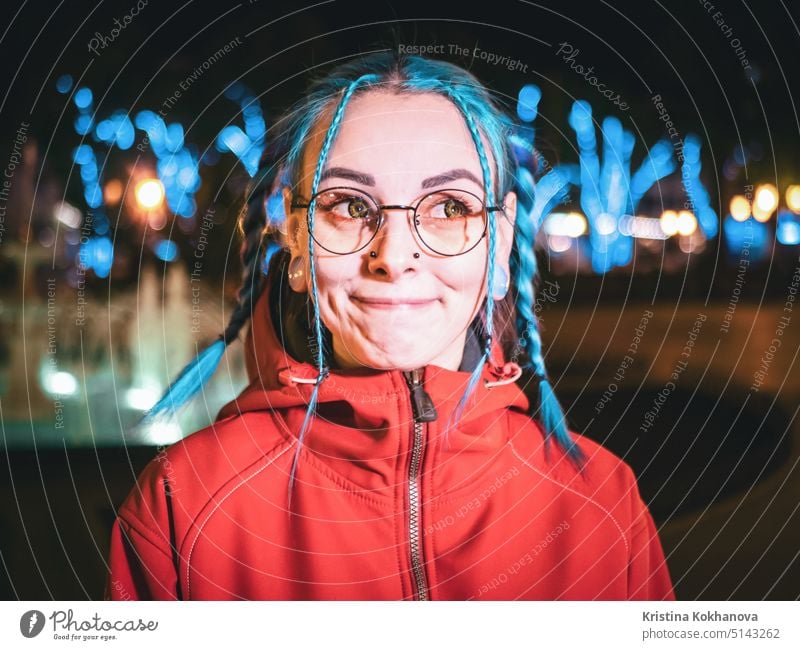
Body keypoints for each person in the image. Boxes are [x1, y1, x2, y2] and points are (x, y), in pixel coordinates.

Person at [105, 52, 675, 600]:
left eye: (451, 207)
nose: (395, 254)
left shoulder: (602, 503)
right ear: (296, 241)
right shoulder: (182, 504)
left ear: (499, 249)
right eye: (350, 206)